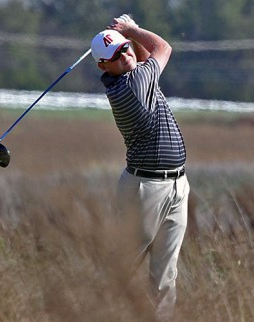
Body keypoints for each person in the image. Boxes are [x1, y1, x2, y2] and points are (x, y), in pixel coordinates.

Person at [90, 14, 190, 320]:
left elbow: (144, 56)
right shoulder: (131, 86)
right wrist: (131, 29)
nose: (125, 55)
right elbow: (162, 48)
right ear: (103, 67)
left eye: (125, 49)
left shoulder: (137, 76)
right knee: (121, 268)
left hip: (175, 187)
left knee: (165, 277)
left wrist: (127, 37)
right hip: (144, 190)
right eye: (116, 56)